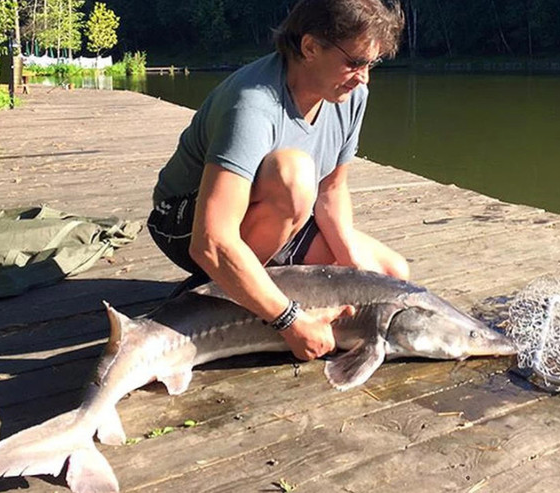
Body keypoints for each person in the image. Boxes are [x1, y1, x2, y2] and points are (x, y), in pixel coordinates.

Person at [148, 0, 408, 362]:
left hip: (275, 214)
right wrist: (289, 320)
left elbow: (332, 193)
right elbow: (210, 240)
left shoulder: (350, 96)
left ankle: (250, 281)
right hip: (183, 222)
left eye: (372, 63)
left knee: (392, 276)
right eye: (355, 62)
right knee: (294, 174)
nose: (364, 76)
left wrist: (356, 275)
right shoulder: (253, 105)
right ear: (310, 47)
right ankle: (214, 294)